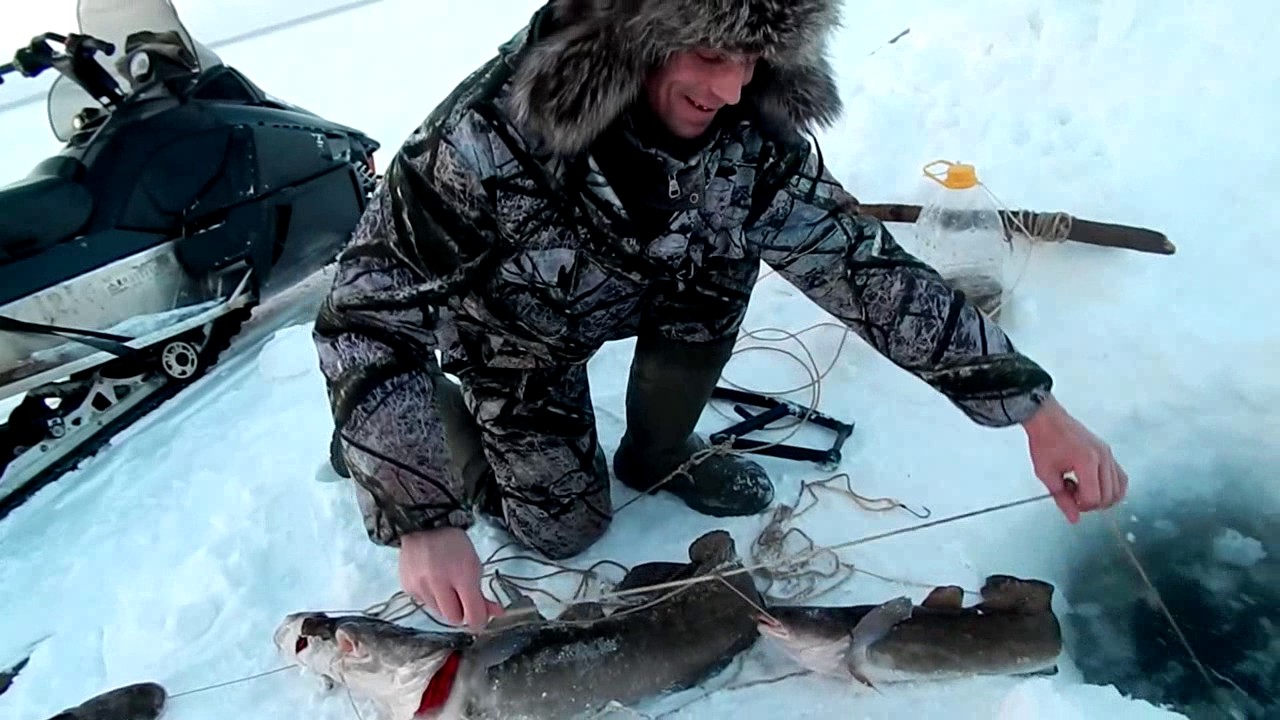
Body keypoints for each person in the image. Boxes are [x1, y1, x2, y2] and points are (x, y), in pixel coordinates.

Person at [313, 0, 1128, 631]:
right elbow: (361, 318)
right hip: (518, 333)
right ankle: (400, 428)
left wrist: (1034, 409)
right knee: (559, 532)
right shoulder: (483, 138)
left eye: (750, 60)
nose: (731, 88)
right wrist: (418, 510)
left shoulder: (750, 124)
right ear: (634, 35)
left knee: (728, 254)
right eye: (708, 55)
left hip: (657, 284)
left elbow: (863, 269)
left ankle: (658, 451)